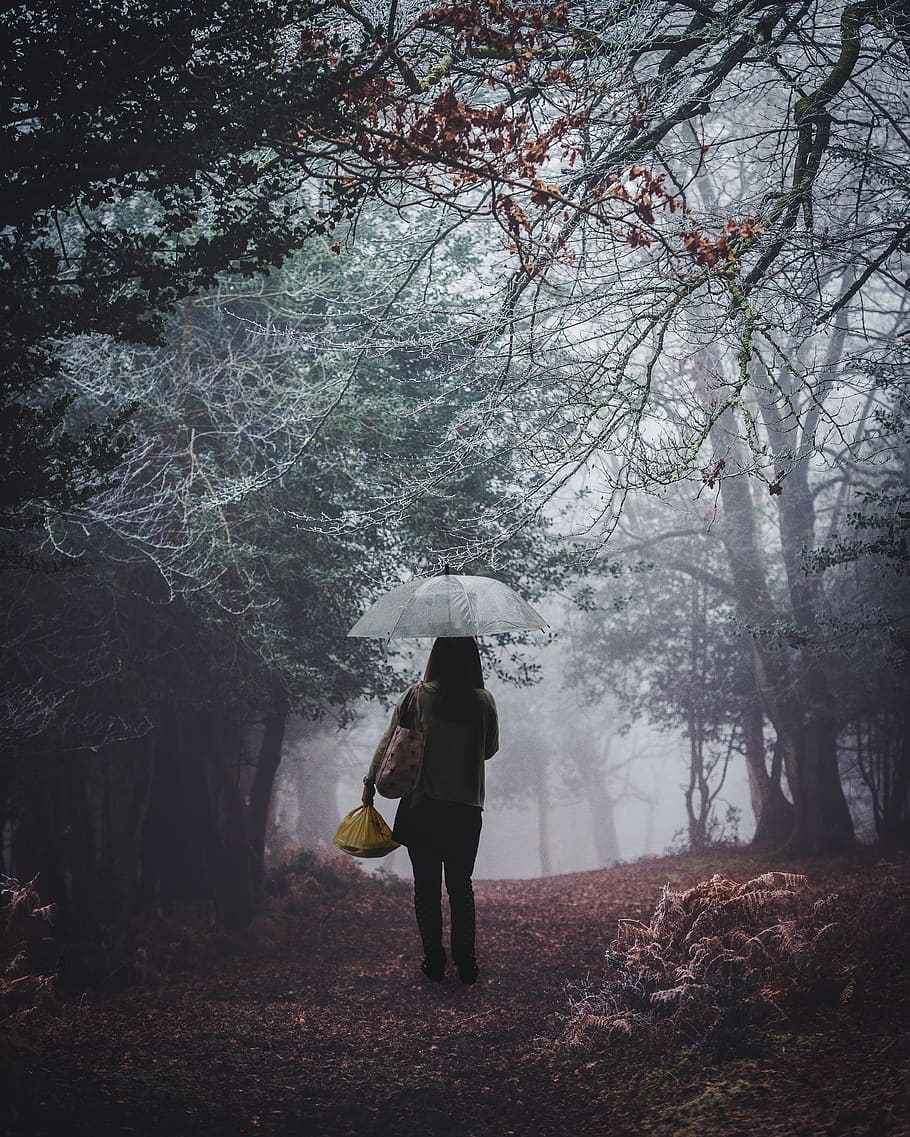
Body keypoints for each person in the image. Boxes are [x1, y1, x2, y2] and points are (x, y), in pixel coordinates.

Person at [362, 636, 498, 985]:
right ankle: (466, 961)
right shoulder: (483, 702)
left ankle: (434, 960)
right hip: (465, 810)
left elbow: (389, 742)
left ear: (436, 656)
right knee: (460, 885)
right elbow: (489, 750)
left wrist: (368, 782)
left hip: (422, 808)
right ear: (472, 659)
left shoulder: (416, 697)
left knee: (425, 887)